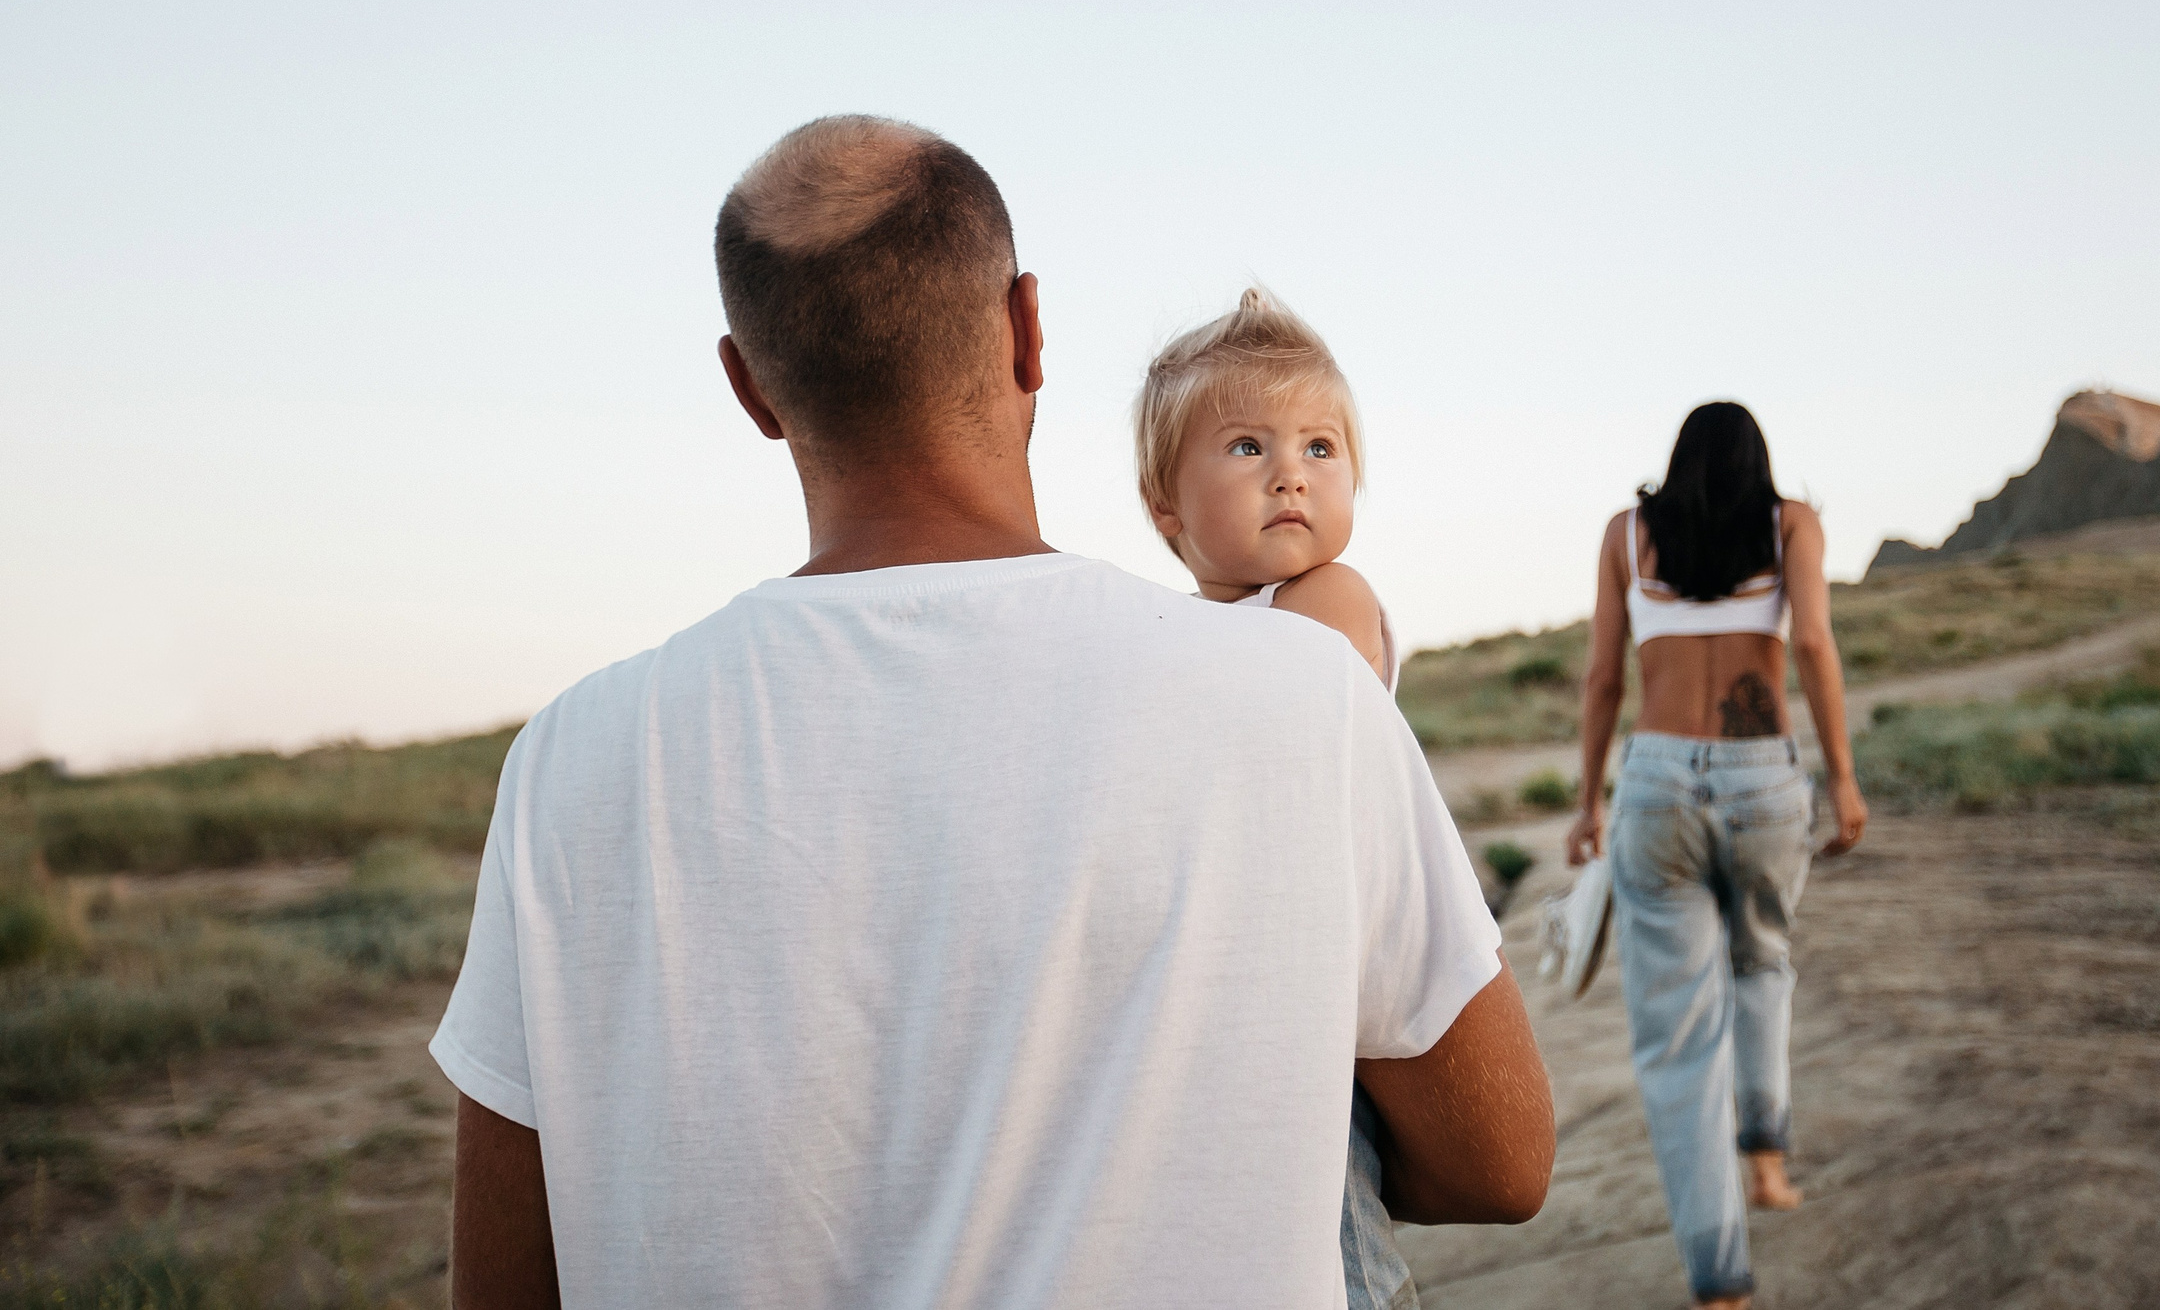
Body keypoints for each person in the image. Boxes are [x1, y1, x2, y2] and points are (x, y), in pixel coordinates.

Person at [433, 116, 1554, 1310]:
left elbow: (505, 1279)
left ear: (750, 386)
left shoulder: (571, 758)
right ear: (1027, 329)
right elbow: (1502, 1160)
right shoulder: (1297, 686)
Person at [1132, 286, 1410, 1310]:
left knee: (1331, 1250)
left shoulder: (1323, 600)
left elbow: (1272, 744)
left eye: (1320, 448)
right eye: (1247, 447)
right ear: (1167, 509)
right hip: (1224, 1004)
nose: (1291, 472)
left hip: (1305, 1004)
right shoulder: (1196, 635)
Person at [1561, 402, 1866, 1310]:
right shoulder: (1790, 524)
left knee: (1677, 1042)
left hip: (1656, 781)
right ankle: (1766, 1162)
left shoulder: (1627, 534)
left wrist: (1586, 800)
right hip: (1763, 777)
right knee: (1764, 959)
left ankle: (1720, 1282)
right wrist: (1844, 779)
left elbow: (1604, 676)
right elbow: (1812, 641)